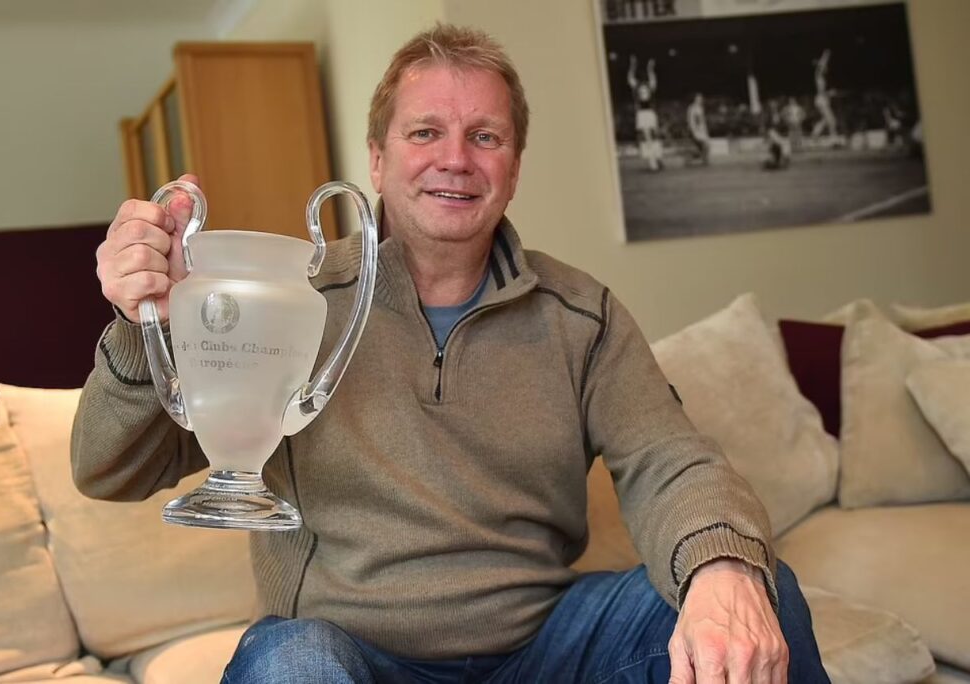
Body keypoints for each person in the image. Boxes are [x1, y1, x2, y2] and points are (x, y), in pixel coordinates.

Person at [74, 24, 829, 683]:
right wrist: (143, 323)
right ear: (376, 158)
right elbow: (111, 469)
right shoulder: (293, 299)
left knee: (760, 587)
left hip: (545, 649)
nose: (456, 160)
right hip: (348, 653)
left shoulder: (583, 314)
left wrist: (720, 566)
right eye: (425, 132)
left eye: (485, 136)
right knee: (291, 664)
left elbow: (672, 459)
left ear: (514, 165)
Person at [627, 55, 663, 171]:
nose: (644, 91)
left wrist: (650, 68)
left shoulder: (650, 87)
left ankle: (657, 158)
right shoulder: (636, 87)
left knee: (655, 136)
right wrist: (632, 65)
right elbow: (630, 78)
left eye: (645, 89)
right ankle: (652, 162)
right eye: (642, 90)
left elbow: (653, 79)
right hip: (642, 115)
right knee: (647, 138)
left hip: (651, 113)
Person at [810, 49, 839, 146]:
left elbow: (822, 63)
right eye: (825, 67)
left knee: (825, 120)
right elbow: (822, 92)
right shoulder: (819, 77)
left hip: (821, 100)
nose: (826, 67)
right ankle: (834, 141)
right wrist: (831, 93)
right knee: (832, 121)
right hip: (821, 100)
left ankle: (814, 135)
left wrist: (826, 56)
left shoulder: (820, 76)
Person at [685, 93, 710, 165]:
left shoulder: (701, 108)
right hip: (695, 130)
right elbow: (692, 119)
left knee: (703, 146)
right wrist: (692, 129)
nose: (700, 100)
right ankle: (702, 159)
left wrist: (705, 129)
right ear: (695, 99)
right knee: (704, 144)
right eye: (698, 98)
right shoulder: (692, 108)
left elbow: (702, 120)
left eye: (701, 98)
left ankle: (697, 159)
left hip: (702, 130)